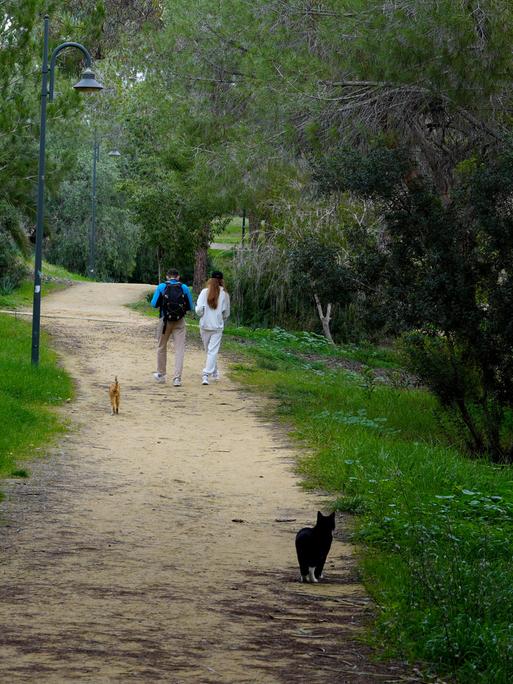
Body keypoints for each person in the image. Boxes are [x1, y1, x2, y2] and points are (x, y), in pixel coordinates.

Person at [151, 268, 194, 387]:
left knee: (161, 347)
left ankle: (161, 374)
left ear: (167, 276)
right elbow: (190, 306)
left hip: (165, 321)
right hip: (180, 322)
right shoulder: (184, 288)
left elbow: (153, 304)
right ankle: (177, 379)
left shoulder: (161, 287)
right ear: (178, 277)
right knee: (179, 349)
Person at [195, 270, 230, 385]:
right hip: (217, 327)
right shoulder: (225, 294)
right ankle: (214, 371)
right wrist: (220, 318)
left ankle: (206, 374)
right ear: (222, 281)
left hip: (204, 325)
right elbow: (226, 313)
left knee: (209, 351)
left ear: (210, 280)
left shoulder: (204, 292)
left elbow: (199, 310)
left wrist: (202, 314)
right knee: (212, 351)